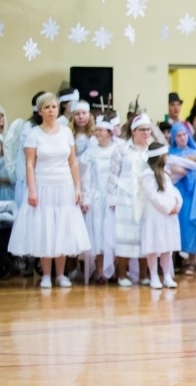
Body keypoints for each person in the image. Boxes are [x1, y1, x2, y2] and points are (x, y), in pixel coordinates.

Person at [8, 92, 91, 288]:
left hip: (64, 186)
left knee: (62, 229)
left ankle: (61, 274)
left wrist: (78, 187)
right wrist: (32, 190)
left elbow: (73, 163)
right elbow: (30, 165)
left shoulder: (66, 132)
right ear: (40, 111)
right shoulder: (34, 134)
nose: (51, 110)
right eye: (47, 107)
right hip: (43, 185)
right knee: (45, 230)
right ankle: (46, 275)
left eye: (54, 107)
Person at [107, 114, 152, 287]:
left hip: (146, 199)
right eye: (142, 130)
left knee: (144, 237)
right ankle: (122, 274)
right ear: (133, 131)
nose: (146, 133)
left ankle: (143, 274)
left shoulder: (152, 149)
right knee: (124, 236)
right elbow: (113, 175)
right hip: (125, 198)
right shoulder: (122, 150)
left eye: (148, 129)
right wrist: (112, 199)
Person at [140, 142, 181, 290]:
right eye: (166, 155)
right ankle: (154, 276)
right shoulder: (147, 175)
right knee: (153, 247)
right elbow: (153, 196)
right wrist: (168, 208)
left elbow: (173, 192)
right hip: (155, 217)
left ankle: (167, 275)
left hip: (168, 217)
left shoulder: (166, 173)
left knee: (167, 247)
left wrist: (177, 204)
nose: (168, 157)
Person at [80, 120, 117, 284]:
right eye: (97, 130)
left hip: (112, 199)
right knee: (98, 236)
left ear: (110, 133)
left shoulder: (118, 151)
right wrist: (86, 198)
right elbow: (86, 178)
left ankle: (115, 270)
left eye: (102, 130)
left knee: (112, 235)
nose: (99, 133)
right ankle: (100, 271)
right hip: (96, 199)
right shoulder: (90, 153)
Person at [168, 123, 196, 276]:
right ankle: (172, 263)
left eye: (184, 135)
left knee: (190, 226)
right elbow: (169, 170)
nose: (182, 138)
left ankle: (191, 261)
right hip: (175, 193)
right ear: (174, 138)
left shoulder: (194, 152)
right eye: (179, 135)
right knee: (174, 226)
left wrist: (182, 167)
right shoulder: (169, 153)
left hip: (191, 196)